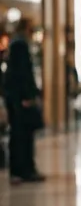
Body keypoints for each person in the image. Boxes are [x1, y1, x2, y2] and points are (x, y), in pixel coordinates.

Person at [3, 18, 45, 184]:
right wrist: (27, 96)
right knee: (22, 136)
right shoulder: (20, 45)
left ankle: (21, 170)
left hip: (15, 98)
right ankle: (24, 170)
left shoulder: (15, 44)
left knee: (19, 134)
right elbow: (22, 74)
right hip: (20, 100)